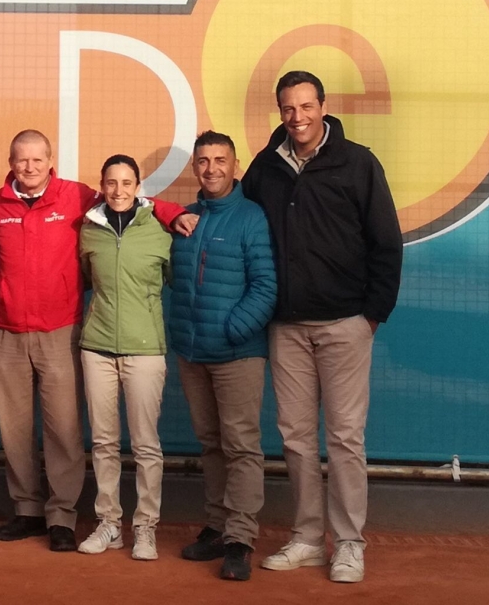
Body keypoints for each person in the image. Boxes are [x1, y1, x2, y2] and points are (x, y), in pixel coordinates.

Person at [0, 130, 195, 552]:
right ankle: (27, 509)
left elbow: (134, 201)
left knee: (63, 428)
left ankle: (61, 515)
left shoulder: (77, 198)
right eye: (21, 160)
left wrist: (172, 213)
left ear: (50, 161)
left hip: (61, 329)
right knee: (15, 428)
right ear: (10, 162)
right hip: (7, 330)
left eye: (37, 160)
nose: (29, 168)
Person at [243, 71, 403, 583]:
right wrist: (184, 218)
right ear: (280, 111)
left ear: (323, 107)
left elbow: (386, 243)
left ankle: (350, 544)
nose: (298, 118)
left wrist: (371, 315)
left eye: (307, 107)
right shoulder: (265, 168)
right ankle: (309, 538)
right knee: (294, 438)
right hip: (286, 327)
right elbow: (237, 224)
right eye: (288, 109)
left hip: (345, 325)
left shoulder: (358, 163)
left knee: (346, 439)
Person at [169, 131, 277, 581]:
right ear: (195, 167)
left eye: (220, 160)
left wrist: (232, 330)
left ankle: (240, 538)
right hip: (193, 353)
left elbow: (266, 286)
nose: (211, 168)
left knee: (241, 447)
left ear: (235, 165)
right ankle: (216, 526)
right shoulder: (186, 218)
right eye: (203, 160)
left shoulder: (251, 217)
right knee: (211, 444)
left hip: (237, 354)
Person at [76, 154, 172, 562]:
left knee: (146, 445)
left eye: (126, 183)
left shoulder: (160, 233)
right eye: (111, 182)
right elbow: (84, 279)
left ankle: (145, 527)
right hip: (96, 347)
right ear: (102, 184)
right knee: (103, 442)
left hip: (146, 349)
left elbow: (170, 280)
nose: (118, 191)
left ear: (138, 186)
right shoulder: (88, 230)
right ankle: (109, 524)